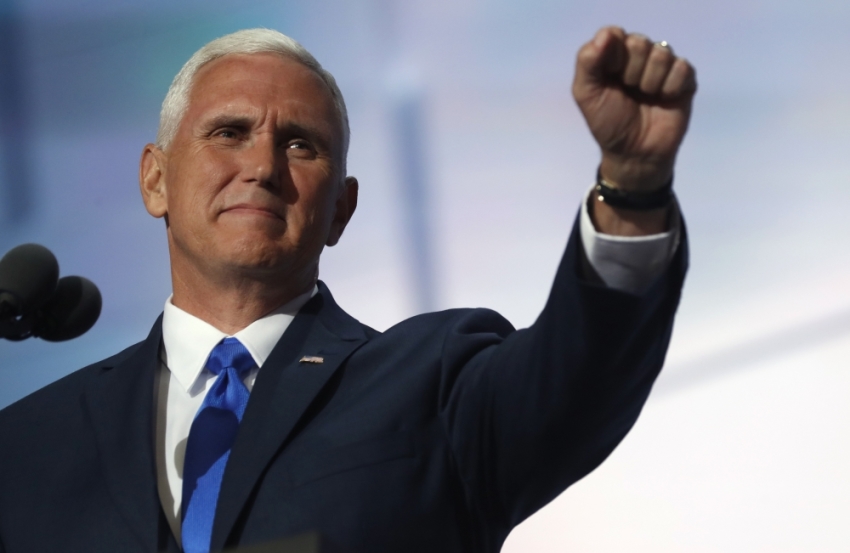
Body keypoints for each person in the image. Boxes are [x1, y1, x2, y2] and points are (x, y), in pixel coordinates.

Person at [0, 25, 695, 553]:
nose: (263, 165)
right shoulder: (28, 443)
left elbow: (577, 377)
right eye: (229, 132)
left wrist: (631, 189)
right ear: (156, 178)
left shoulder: (436, 385)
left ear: (340, 208)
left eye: (301, 144)